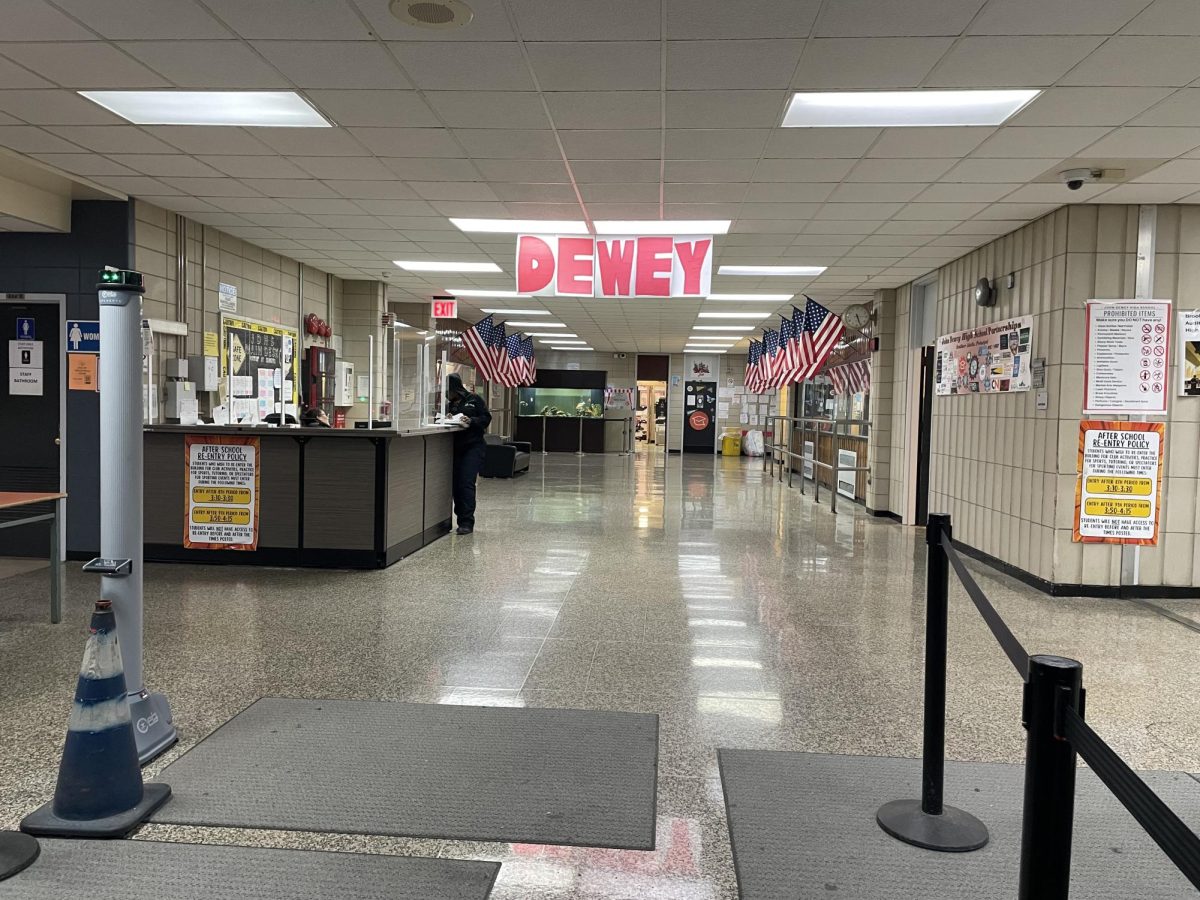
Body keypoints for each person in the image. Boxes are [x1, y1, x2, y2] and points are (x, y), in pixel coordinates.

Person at [446, 372, 491, 535]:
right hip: (454, 448)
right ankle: (458, 519)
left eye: (449, 390)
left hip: (473, 446)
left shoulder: (474, 400)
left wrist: (471, 421)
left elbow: (486, 418)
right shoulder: (448, 405)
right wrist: (447, 417)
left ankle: (466, 522)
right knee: (456, 485)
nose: (447, 394)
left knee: (466, 483)